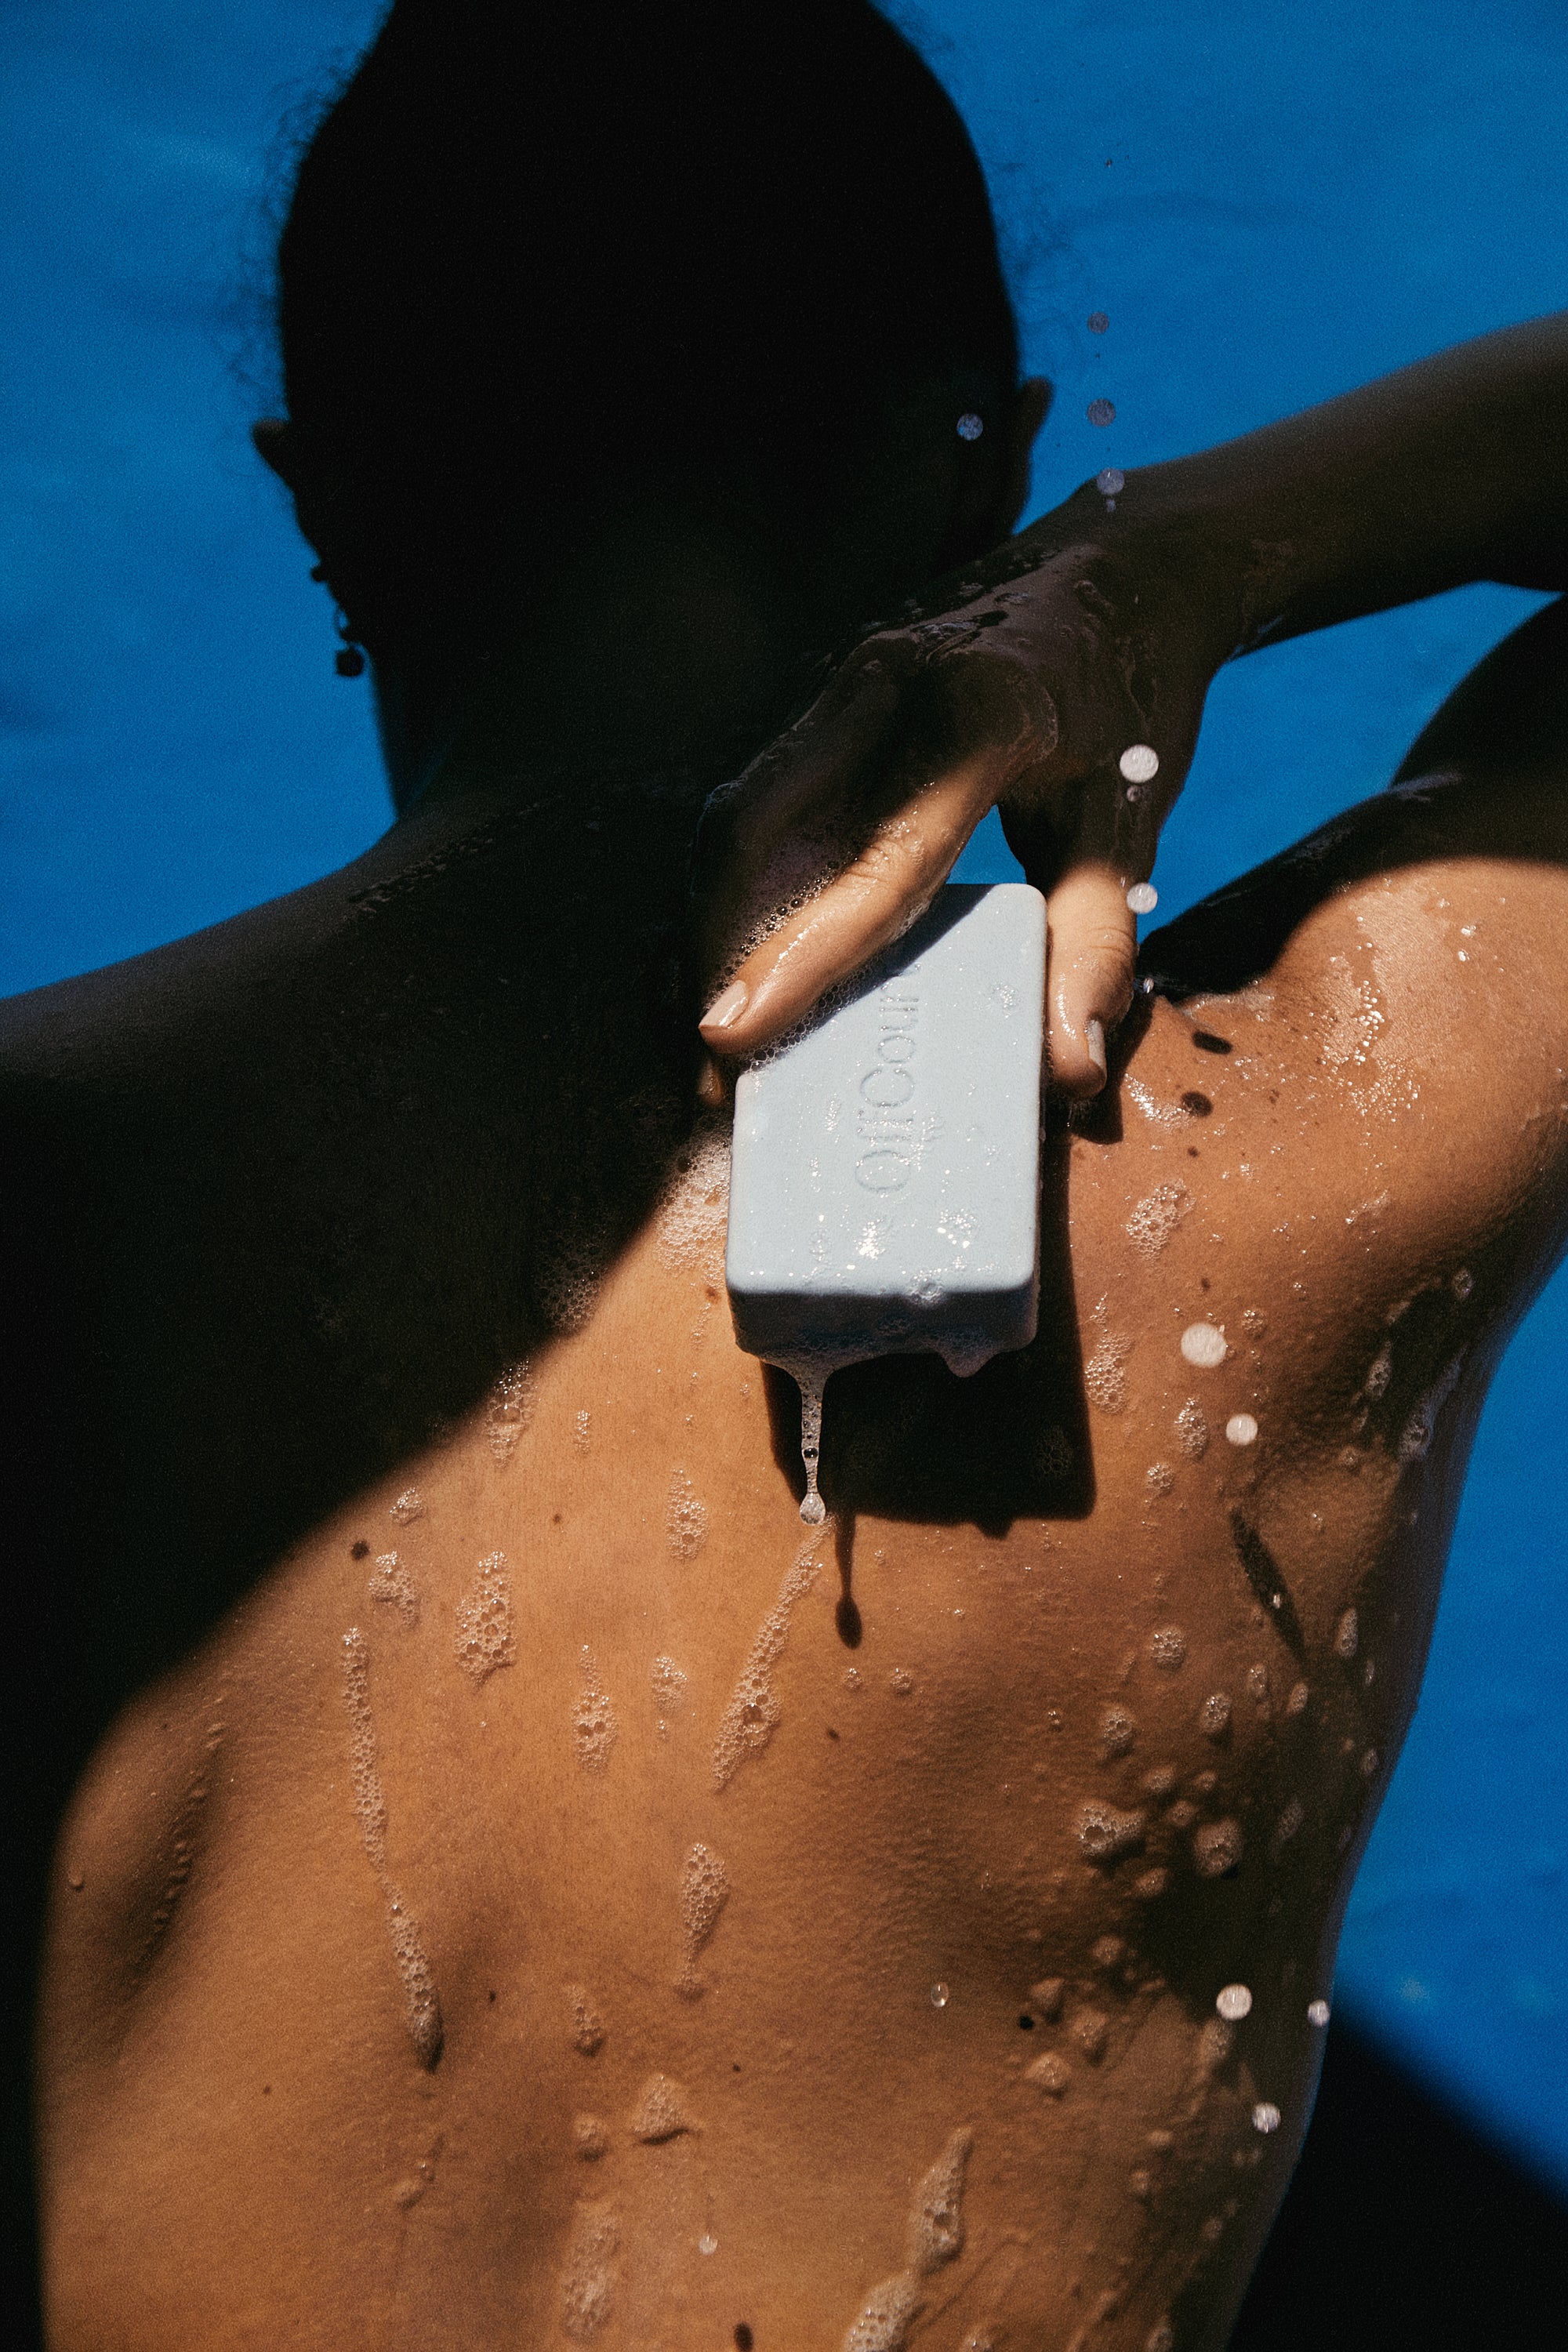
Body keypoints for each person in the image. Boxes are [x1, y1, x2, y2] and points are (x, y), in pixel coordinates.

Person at [5, 2, 1566, 2344]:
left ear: (323, 493)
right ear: (984, 465)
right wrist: (1174, 560)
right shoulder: (1318, 1143)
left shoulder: (47, 1209)